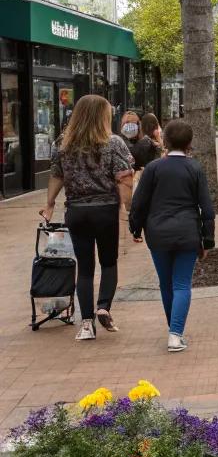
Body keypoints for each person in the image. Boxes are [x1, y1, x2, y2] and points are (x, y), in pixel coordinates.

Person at [41, 93, 134, 341]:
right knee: (109, 262)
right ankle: (104, 307)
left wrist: (49, 204)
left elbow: (56, 176)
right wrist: (128, 208)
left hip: (76, 211)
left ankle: (86, 323)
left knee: (84, 268)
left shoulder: (63, 144)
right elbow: (124, 178)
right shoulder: (113, 143)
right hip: (105, 210)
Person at [129, 118, 215, 353]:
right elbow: (207, 208)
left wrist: (135, 228)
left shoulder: (153, 169)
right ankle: (175, 334)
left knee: (166, 284)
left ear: (165, 141)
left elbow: (139, 203)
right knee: (182, 284)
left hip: (157, 233)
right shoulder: (195, 168)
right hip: (187, 233)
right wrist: (208, 239)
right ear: (189, 143)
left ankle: (173, 330)